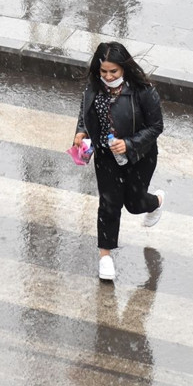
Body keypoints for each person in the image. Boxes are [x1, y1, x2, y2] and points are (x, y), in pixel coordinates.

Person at [73, 42, 165, 281]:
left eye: (113, 71)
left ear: (124, 67)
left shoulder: (143, 91)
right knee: (109, 204)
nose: (108, 76)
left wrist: (129, 144)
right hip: (106, 156)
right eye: (103, 71)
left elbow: (156, 126)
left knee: (134, 204)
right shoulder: (93, 87)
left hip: (139, 156)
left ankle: (155, 202)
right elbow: (85, 112)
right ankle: (105, 256)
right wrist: (81, 132)